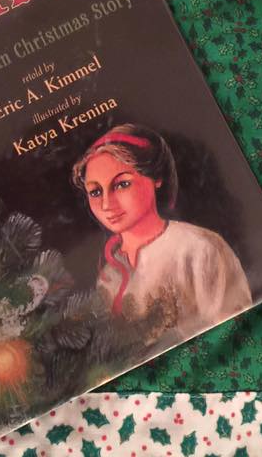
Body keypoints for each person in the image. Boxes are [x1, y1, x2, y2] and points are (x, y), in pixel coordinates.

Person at [71, 124, 252, 343]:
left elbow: (235, 328)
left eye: (122, 184)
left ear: (156, 178)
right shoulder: (108, 275)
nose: (107, 204)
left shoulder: (199, 249)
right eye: (95, 192)